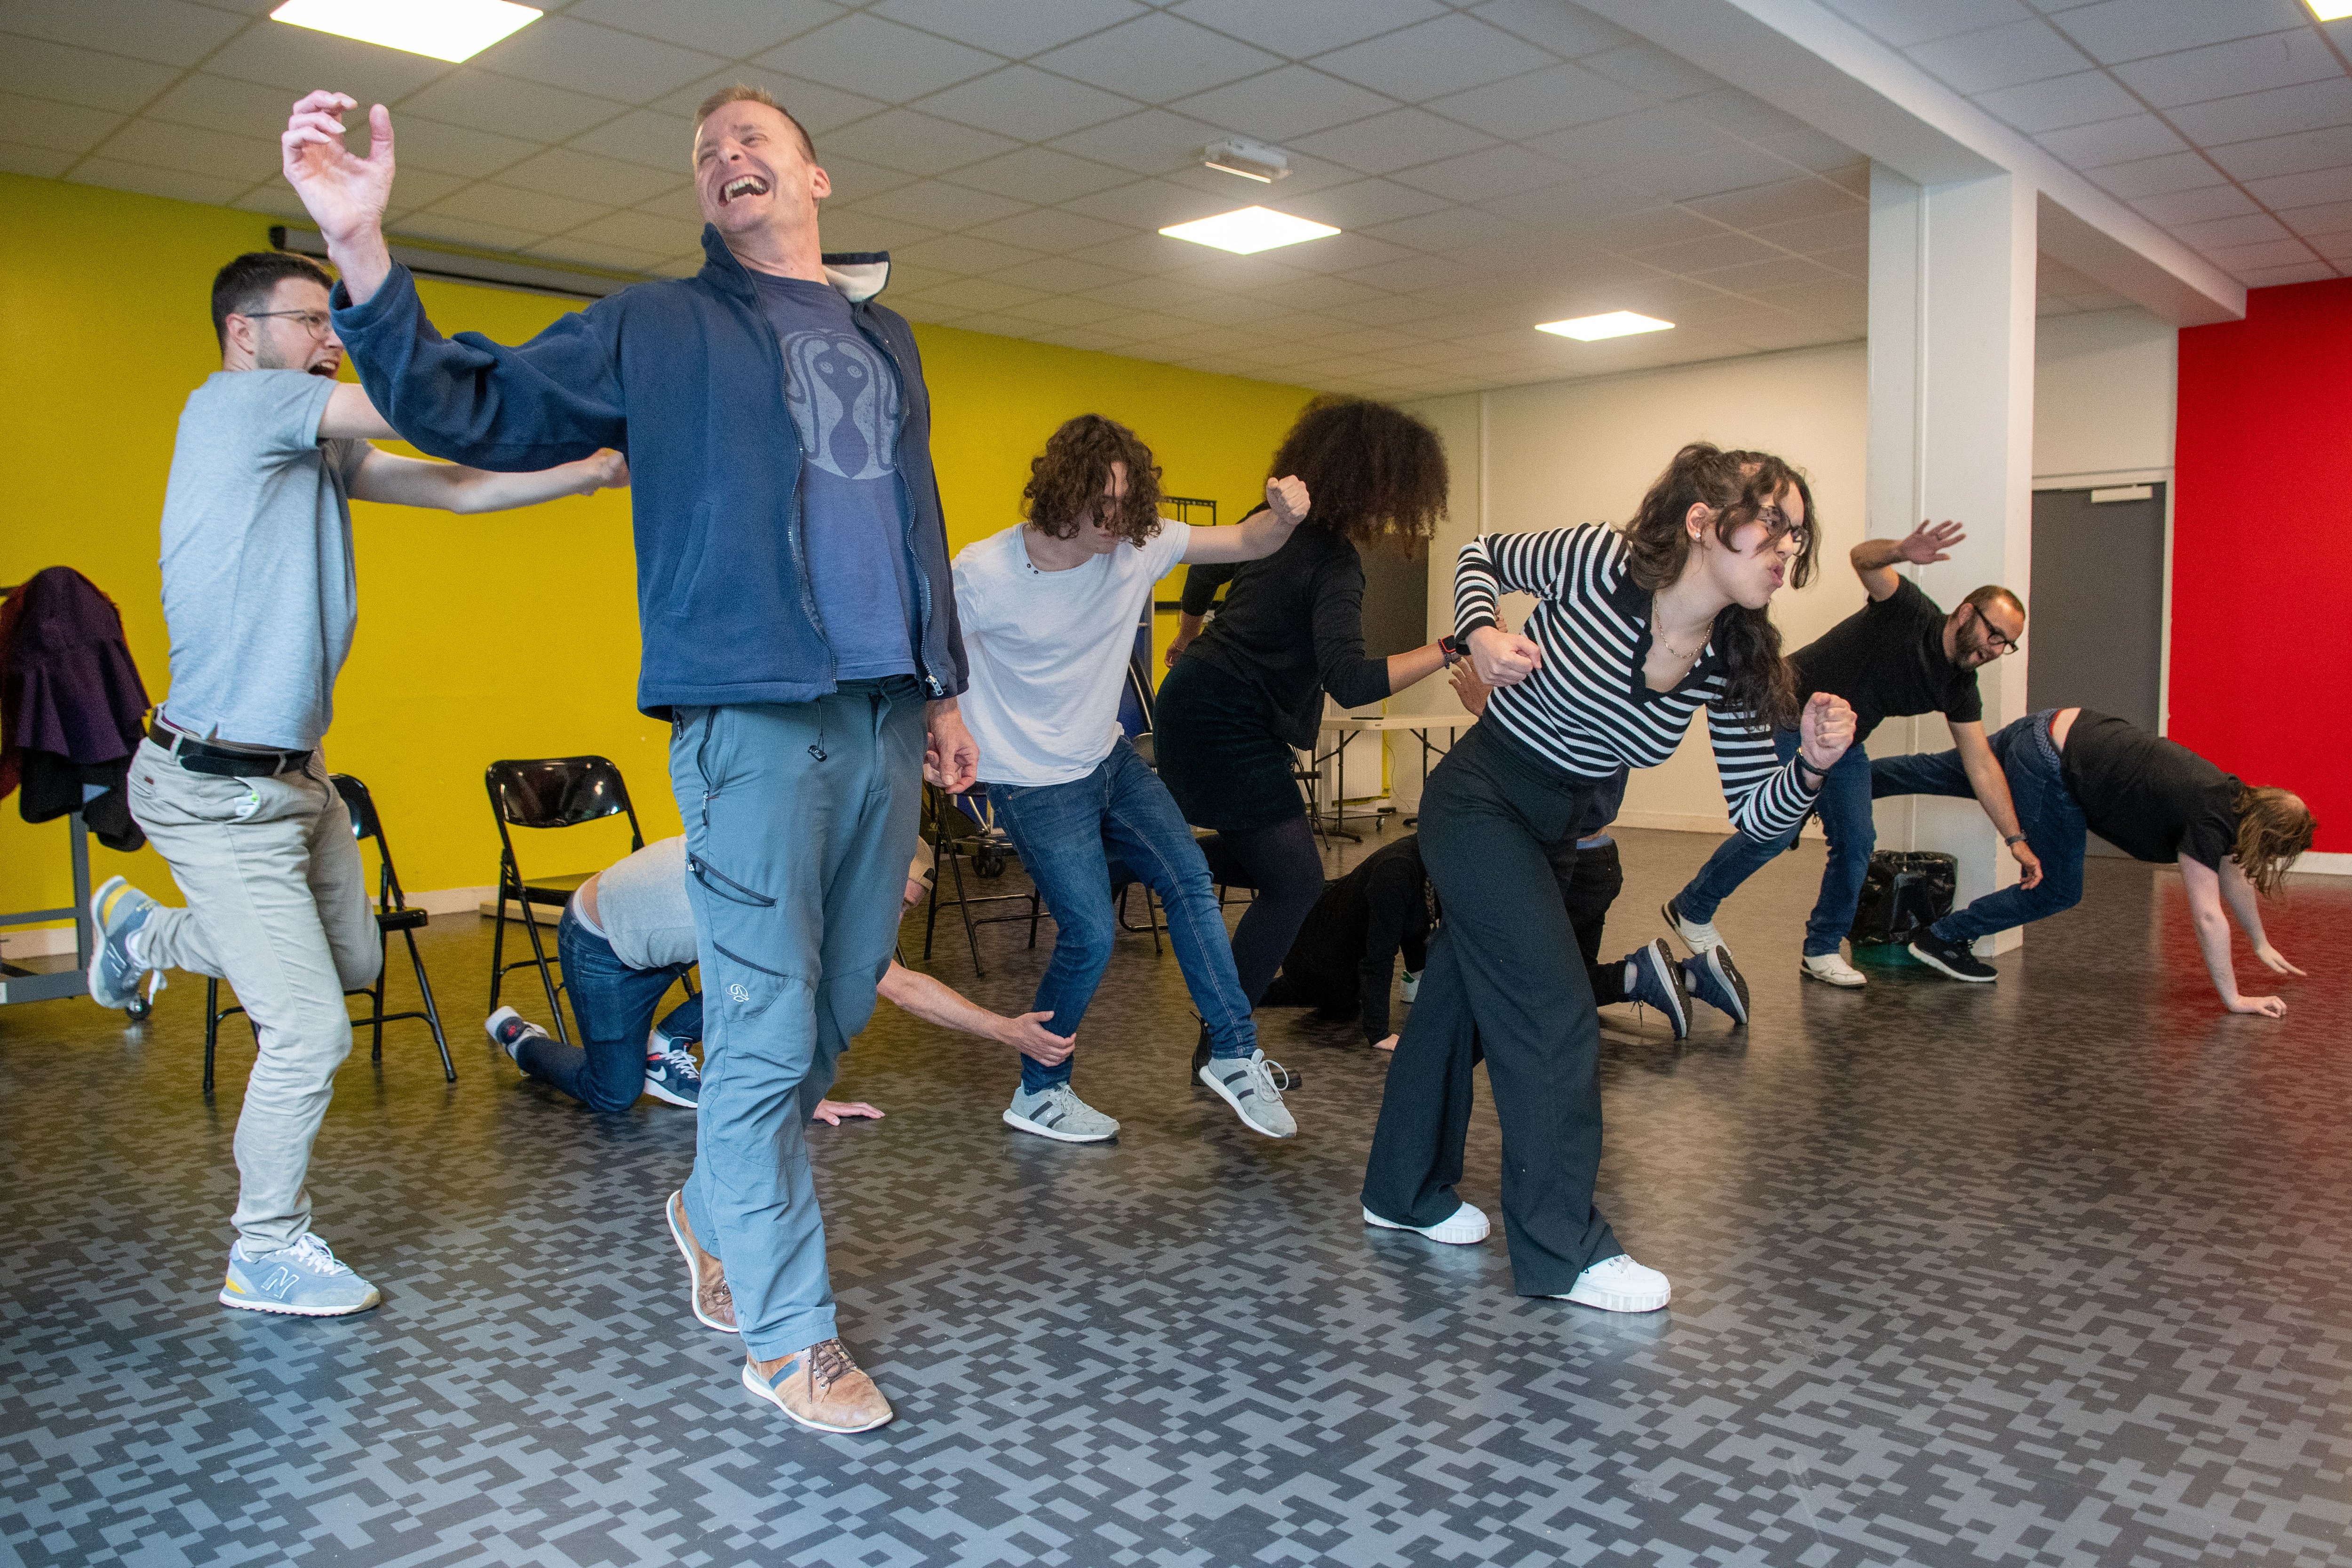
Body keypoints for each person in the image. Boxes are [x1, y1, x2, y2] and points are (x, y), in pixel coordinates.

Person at [280, 83, 981, 1434]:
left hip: (887, 712)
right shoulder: (657, 327)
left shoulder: (885, 337)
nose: (728, 160)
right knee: (768, 1032)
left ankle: (708, 1202)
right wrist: (363, 252)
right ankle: (787, 1339)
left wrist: (946, 684)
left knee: (833, 1012)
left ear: (816, 177)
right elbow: (469, 406)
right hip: (748, 709)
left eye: (755, 142)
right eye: (708, 152)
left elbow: (913, 508)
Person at [82, 249, 627, 1321]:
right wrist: (580, 380)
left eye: (337, 322)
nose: (332, 337)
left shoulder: (306, 448)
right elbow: (414, 410)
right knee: (311, 1032)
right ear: (245, 330)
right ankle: (265, 1248)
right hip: (211, 789)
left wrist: (595, 468)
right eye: (315, 320)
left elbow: (458, 486)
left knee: (351, 963)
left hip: (295, 782)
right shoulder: (240, 410)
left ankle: (142, 935)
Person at [1361, 444, 1855, 1313]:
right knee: (1554, 1015)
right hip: (1480, 799)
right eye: (1772, 525)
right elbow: (1482, 554)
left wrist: (1812, 767)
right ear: (1704, 522)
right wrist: (1482, 633)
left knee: (1453, 1008)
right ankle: (1565, 1252)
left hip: (1556, 829)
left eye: (1797, 537)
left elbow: (1758, 817)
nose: (1786, 550)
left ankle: (1402, 1193)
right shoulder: (1599, 558)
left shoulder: (1732, 660)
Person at [953, 414, 1308, 1143]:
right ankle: (1040, 1091)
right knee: (1088, 935)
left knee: (1187, 880)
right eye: (1103, 502)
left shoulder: (1138, 546)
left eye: (1128, 502)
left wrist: (1282, 516)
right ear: (1062, 490)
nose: (1118, 520)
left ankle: (1235, 1054)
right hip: (1031, 782)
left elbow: (1247, 542)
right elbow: (933, 668)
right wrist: (941, 730)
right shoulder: (982, 575)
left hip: (1108, 760)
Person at [1154, 398, 1454, 1035]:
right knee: (1295, 884)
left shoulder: (1268, 524)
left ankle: (1139, 856)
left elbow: (1205, 574)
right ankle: (1226, 1040)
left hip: (1196, 700)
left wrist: (1186, 635)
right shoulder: (1333, 561)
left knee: (1277, 867)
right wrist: (1451, 647)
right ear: (1376, 489)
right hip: (1227, 721)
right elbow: (1350, 682)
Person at [1660, 519, 2036, 988]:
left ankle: (1820, 949)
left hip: (1842, 742)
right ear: (1965, 613)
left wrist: (2015, 839)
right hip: (1784, 711)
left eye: (2006, 644)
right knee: (1773, 831)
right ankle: (1692, 907)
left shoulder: (1959, 687)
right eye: (1994, 634)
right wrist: (1901, 549)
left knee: (1856, 844)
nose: (1996, 649)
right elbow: (1862, 559)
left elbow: (1979, 763)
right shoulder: (1908, 611)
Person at [484, 838, 1073, 1113]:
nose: (892, 916)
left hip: (684, 939)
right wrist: (1006, 1033)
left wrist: (1007, 1028)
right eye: (890, 898)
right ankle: (523, 1040)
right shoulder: (794, 891)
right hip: (604, 939)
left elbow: (886, 976)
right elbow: (894, 987)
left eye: (908, 907)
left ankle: (664, 1045)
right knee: (613, 1094)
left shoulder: (829, 886)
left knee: (792, 971)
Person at [1872, 708, 2314, 1011]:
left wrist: (2260, 942)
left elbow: (2234, 874)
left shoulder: (2233, 799)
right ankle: (1942, 937)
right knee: (2059, 888)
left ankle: (1831, 780)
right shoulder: (2210, 818)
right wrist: (2234, 999)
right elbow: (2208, 915)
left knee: (1937, 770)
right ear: (2267, 837)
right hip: (2053, 762)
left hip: (2051, 727)